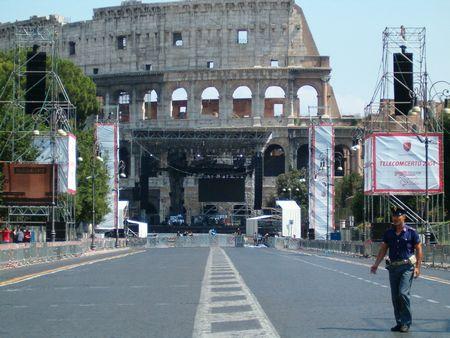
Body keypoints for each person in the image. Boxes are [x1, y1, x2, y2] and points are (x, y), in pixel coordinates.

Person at [370, 208, 422, 333]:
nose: (395, 219)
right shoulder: (389, 233)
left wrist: (417, 268)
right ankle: (399, 322)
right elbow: (383, 249)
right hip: (393, 268)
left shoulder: (411, 232)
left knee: (403, 294)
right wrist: (376, 264)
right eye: (394, 217)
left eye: (398, 217)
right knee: (395, 297)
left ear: (404, 217)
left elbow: (419, 250)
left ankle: (406, 322)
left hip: (407, 267)